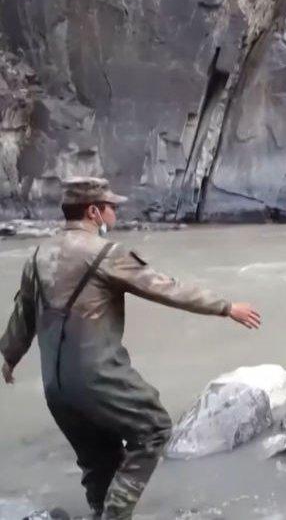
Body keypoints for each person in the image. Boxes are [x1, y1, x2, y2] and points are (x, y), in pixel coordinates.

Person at [0, 177, 261, 519]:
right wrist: (226, 307)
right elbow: (167, 289)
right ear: (93, 212)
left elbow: (23, 317)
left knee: (98, 460)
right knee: (154, 429)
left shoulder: (37, 255)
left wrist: (7, 358)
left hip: (55, 386)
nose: (115, 215)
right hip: (98, 377)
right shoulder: (107, 254)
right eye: (111, 208)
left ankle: (99, 512)